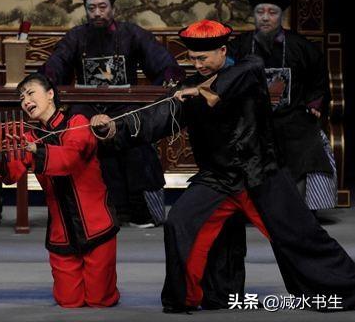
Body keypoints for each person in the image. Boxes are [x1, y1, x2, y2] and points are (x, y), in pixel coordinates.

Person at [91, 19, 355, 313]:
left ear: (222, 50)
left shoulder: (249, 69)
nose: (197, 64)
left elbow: (240, 76)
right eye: (192, 58)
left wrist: (202, 90)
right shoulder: (189, 87)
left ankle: (344, 288)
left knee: (300, 235)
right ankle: (200, 296)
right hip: (217, 177)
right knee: (180, 222)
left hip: (261, 173)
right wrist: (113, 128)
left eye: (203, 58)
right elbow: (157, 117)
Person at [41, 0, 185, 228]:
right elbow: (56, 66)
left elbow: (162, 63)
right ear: (86, 10)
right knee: (80, 139)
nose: (97, 13)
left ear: (113, 8)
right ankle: (90, 211)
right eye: (91, 8)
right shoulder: (75, 37)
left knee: (136, 140)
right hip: (86, 107)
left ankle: (141, 211)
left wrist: (166, 83)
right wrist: (43, 84)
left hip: (125, 106)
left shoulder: (132, 34)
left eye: (102, 7)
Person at [0, 73, 120, 308]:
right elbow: (10, 176)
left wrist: (34, 150)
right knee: (68, 301)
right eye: (21, 98)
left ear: (50, 94)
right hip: (61, 232)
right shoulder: (29, 136)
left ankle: (105, 288)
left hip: (96, 225)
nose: (26, 101)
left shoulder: (78, 122)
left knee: (99, 301)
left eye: (30, 93)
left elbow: (70, 159)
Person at [228, 0, 337, 211]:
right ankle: (251, 208)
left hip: (291, 116)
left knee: (309, 143)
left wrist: (314, 103)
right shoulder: (240, 46)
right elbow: (225, 76)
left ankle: (299, 209)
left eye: (272, 12)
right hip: (251, 117)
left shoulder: (301, 46)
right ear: (253, 15)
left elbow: (318, 78)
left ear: (281, 16)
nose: (265, 17)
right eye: (260, 12)